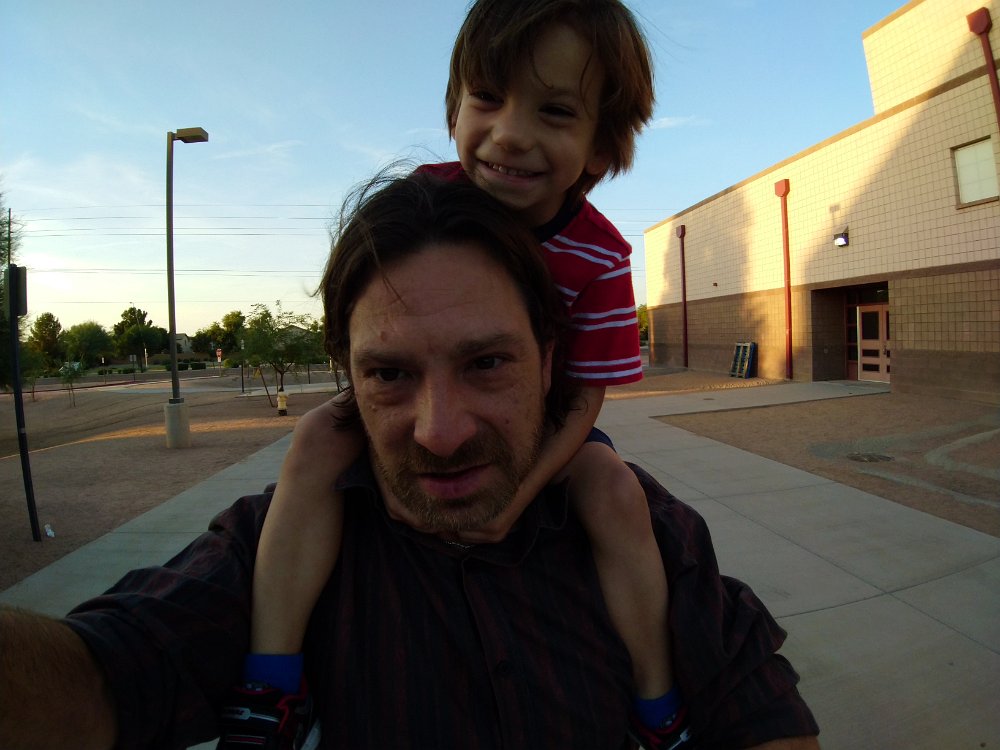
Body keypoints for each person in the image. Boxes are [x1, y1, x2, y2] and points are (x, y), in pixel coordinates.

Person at [0, 172, 821, 750]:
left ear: (548, 361)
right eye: (390, 374)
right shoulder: (279, 546)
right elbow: (100, 678)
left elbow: (762, 713)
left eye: (486, 363)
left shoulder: (642, 531)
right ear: (347, 377)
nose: (440, 432)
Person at [244, 1, 683, 745]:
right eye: (487, 97)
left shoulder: (601, 255)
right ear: (454, 109)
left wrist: (525, 491)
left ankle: (658, 704)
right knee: (315, 440)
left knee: (615, 490)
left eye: (553, 110)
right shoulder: (422, 203)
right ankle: (270, 686)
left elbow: (584, 397)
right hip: (439, 405)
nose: (509, 133)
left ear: (602, 147)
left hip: (544, 427)